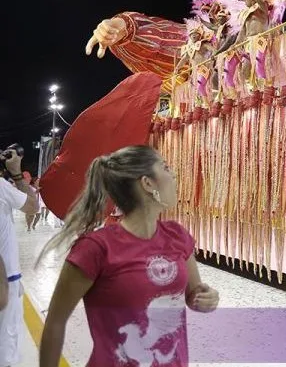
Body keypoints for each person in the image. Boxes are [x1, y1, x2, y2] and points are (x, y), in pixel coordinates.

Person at [38, 145, 220, 367]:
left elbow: (194, 294)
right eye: (165, 167)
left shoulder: (178, 236)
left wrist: (206, 298)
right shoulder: (96, 248)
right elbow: (56, 323)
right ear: (147, 183)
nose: (173, 174)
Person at [0, 144, 39, 367]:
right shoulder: (1, 188)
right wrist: (16, 172)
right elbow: (32, 206)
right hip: (4, 279)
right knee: (5, 345)